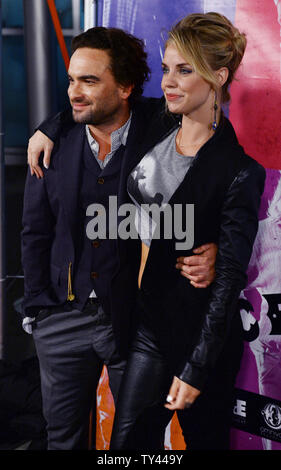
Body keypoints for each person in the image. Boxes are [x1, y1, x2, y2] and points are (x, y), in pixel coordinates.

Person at [22, 26, 217, 450]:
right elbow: (34, 232)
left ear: (126, 87)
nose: (75, 91)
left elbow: (219, 154)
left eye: (89, 81)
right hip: (60, 318)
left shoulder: (161, 129)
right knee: (63, 440)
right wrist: (37, 310)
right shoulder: (52, 145)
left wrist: (213, 248)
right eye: (72, 79)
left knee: (136, 443)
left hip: (136, 319)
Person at [107, 12, 266, 450]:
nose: (168, 83)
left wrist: (196, 368)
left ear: (218, 77)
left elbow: (229, 276)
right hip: (147, 322)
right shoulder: (155, 121)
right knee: (126, 449)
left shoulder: (238, 170)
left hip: (200, 338)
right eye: (165, 69)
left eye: (184, 70)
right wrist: (44, 130)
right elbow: (93, 103)